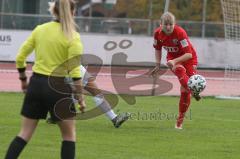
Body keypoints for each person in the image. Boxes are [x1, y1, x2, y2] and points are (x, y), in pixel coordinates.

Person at [4, 0, 85, 159]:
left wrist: (23, 81)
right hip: (58, 87)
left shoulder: (40, 30)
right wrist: (80, 97)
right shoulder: (73, 37)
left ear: (53, 11)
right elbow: (75, 71)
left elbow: (20, 57)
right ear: (73, 13)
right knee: (69, 136)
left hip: (36, 84)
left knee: (24, 134)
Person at [150, 12, 201, 130]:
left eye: (170, 24)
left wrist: (174, 61)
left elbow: (188, 54)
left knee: (184, 90)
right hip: (173, 59)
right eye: (165, 24)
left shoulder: (180, 33)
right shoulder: (157, 34)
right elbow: (157, 49)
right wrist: (157, 65)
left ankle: (180, 120)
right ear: (160, 24)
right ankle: (194, 90)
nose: (168, 27)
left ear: (175, 24)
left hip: (189, 59)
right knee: (180, 73)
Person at [47, 65, 130, 128]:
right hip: (71, 72)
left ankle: (114, 119)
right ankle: (58, 115)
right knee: (79, 94)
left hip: (77, 70)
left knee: (95, 93)